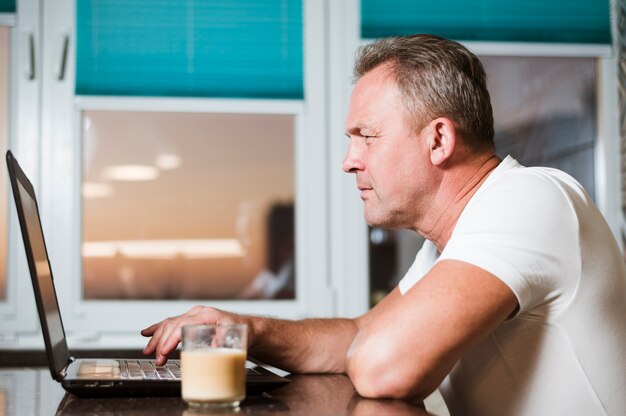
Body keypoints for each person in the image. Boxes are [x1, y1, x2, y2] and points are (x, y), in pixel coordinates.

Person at [142, 34, 626, 414]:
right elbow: (359, 335)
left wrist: (370, 346)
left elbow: (383, 366)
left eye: (366, 137)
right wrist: (244, 329)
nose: (349, 161)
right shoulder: (452, 240)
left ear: (438, 140)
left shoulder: (529, 200)